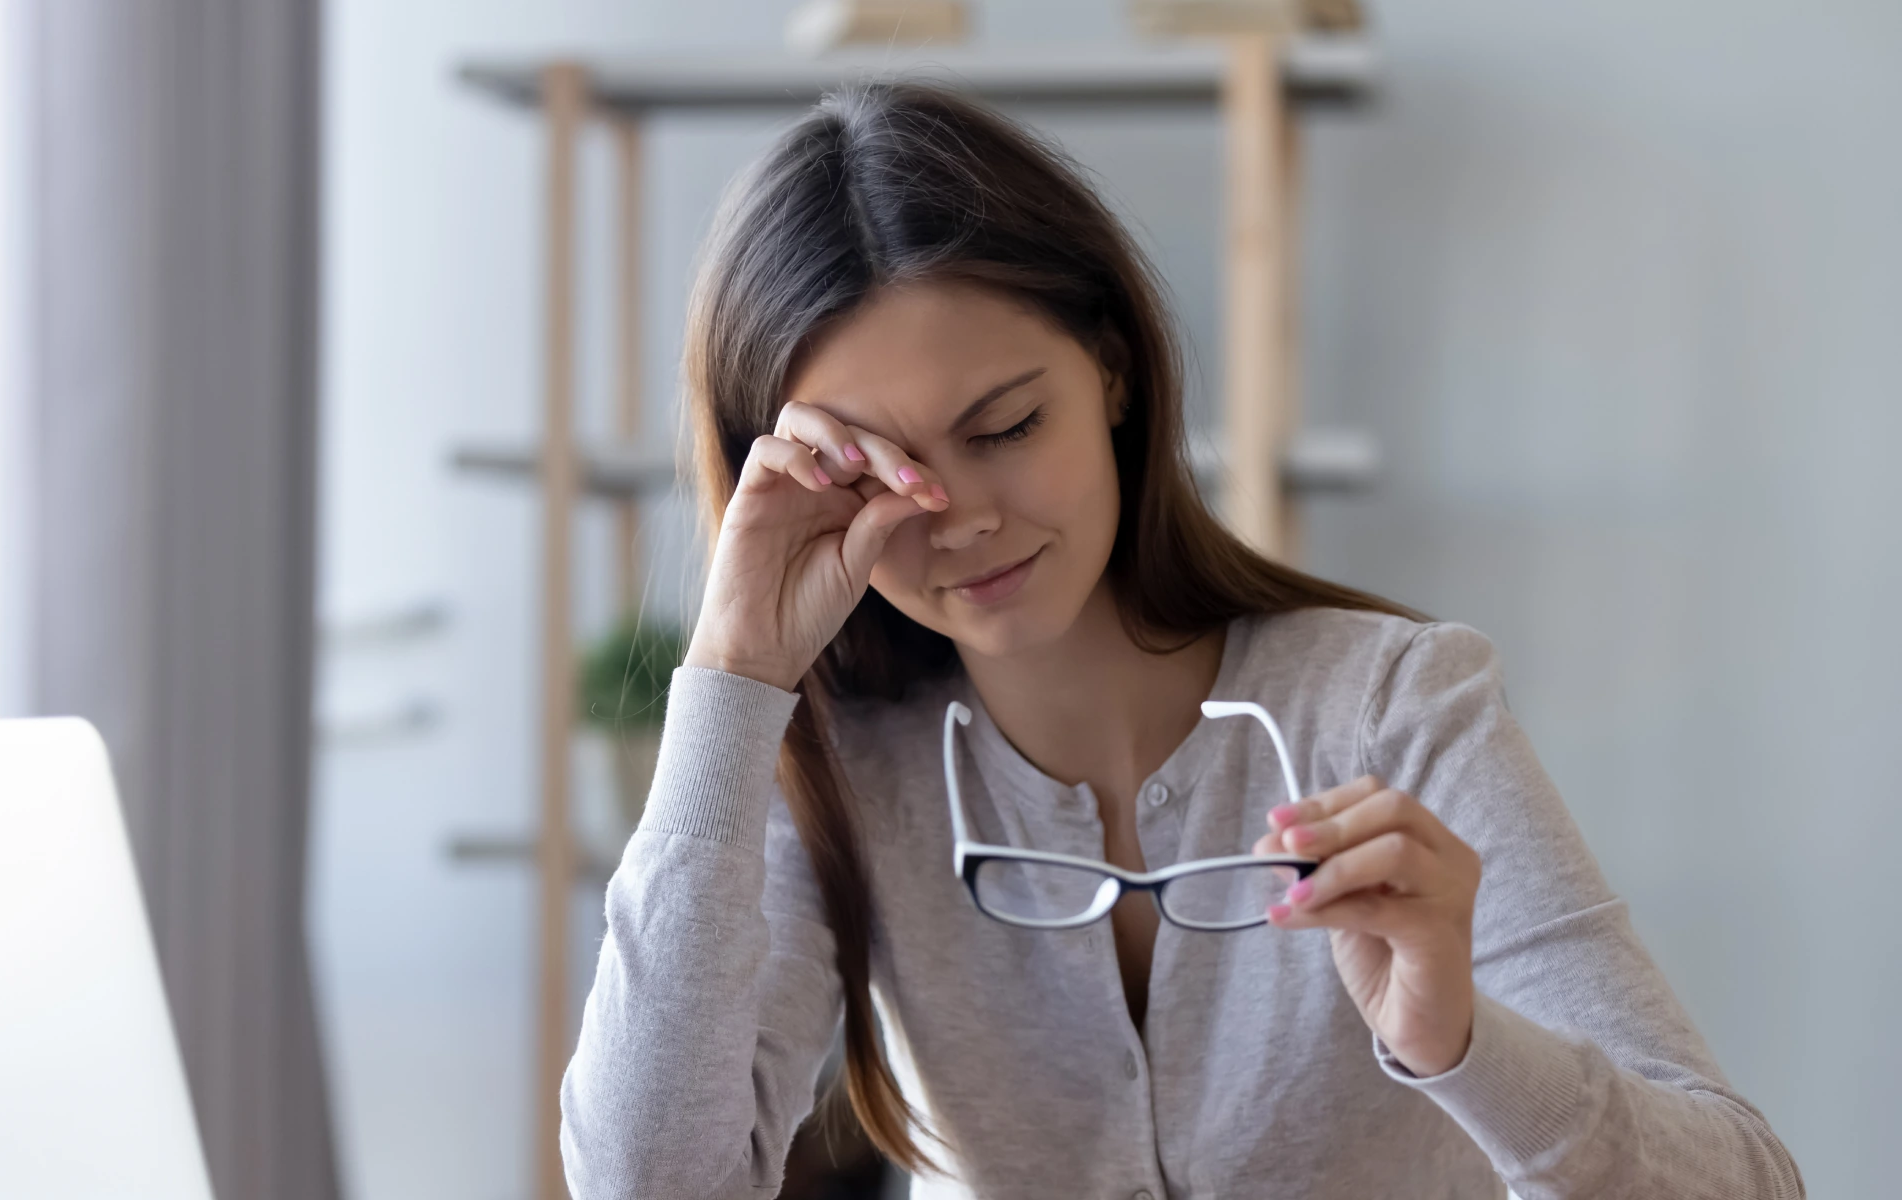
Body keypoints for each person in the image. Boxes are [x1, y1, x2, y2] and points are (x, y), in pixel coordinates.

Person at [559, 83, 1804, 1200]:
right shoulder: (841, 767)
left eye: (1006, 427)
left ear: (1111, 373)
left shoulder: (1390, 708)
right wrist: (733, 676)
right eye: (879, 476)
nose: (963, 518)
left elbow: (1746, 1184)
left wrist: (1462, 1045)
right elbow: (645, 1184)